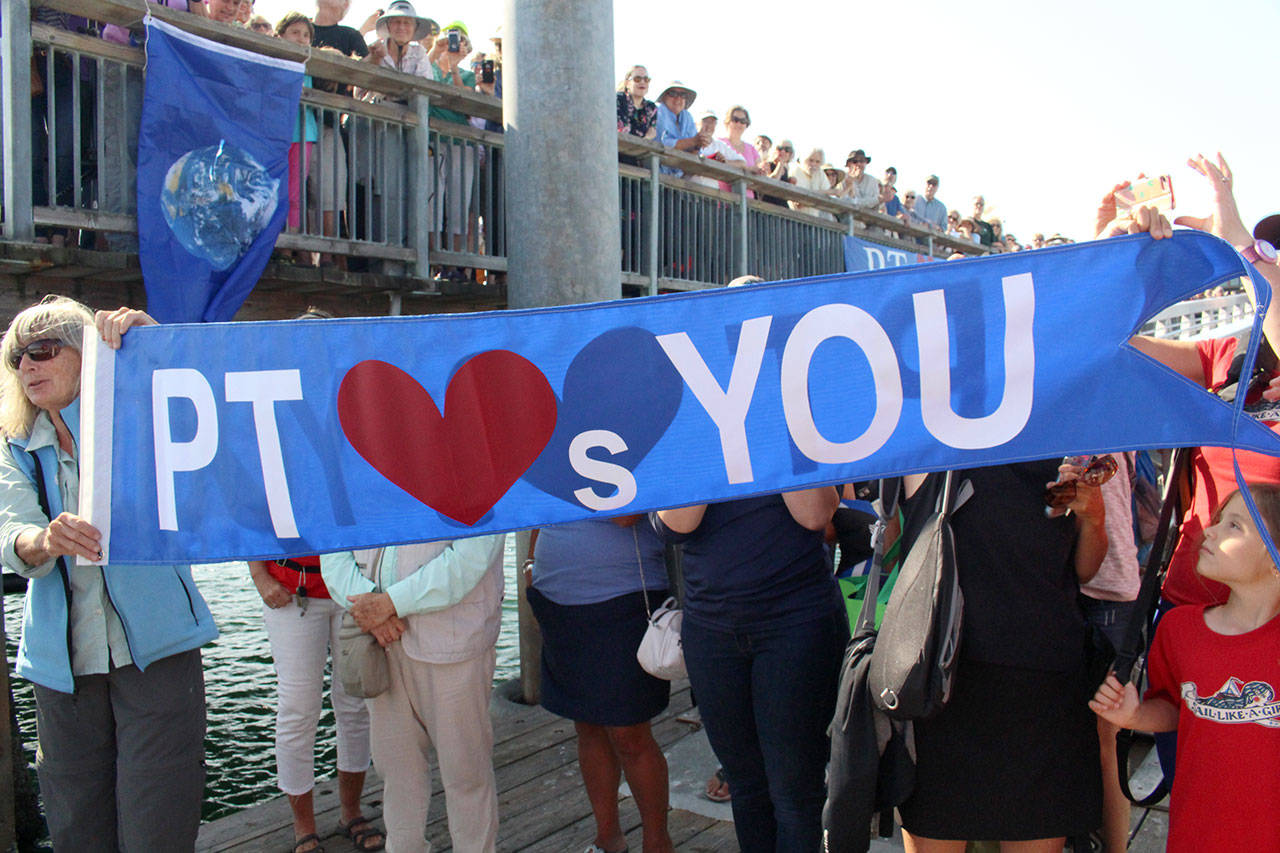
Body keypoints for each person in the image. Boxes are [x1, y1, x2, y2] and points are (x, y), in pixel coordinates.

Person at [0, 298, 218, 850]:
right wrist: (42, 541)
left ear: (88, 353)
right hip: (61, 669)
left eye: (43, 349)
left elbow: (210, 427)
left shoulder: (142, 415)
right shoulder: (13, 446)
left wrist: (160, 349)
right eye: (17, 357)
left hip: (159, 652)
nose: (27, 365)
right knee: (77, 831)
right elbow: (11, 529)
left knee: (158, 829)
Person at [895, 462, 1107, 852]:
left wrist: (1095, 519)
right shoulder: (932, 436)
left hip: (1042, 683)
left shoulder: (1063, 447)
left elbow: (1084, 570)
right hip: (942, 680)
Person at [652, 487, 847, 852]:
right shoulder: (677, 445)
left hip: (796, 621)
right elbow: (673, 527)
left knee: (794, 790)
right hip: (712, 629)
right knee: (746, 785)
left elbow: (815, 515)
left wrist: (768, 447)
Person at [1090, 486, 1280, 852]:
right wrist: (1134, 716)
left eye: (1235, 526)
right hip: (1197, 835)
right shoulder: (1179, 630)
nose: (1210, 531)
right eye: (1219, 520)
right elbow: (1178, 708)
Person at [322, 534, 505, 853]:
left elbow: (472, 557)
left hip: (454, 643)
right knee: (396, 775)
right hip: (382, 642)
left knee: (466, 774)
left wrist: (388, 604)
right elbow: (331, 547)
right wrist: (369, 607)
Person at [525, 518, 674, 853]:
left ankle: (657, 844)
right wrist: (530, 562)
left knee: (629, 734)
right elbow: (538, 507)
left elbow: (625, 515)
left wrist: (566, 486)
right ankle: (608, 840)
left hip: (623, 595)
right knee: (587, 724)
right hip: (556, 596)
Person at [427, 22, 479, 280]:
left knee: (459, 202)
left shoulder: (468, 75)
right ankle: (434, 261)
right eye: (451, 39)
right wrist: (436, 52)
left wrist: (455, 66)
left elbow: (466, 102)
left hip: (460, 143)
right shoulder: (430, 67)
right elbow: (419, 77)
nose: (456, 45)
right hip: (432, 142)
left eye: (461, 41)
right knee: (431, 202)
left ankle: (456, 264)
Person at [277, 12, 320, 260]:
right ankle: (273, 242)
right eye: (295, 32)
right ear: (281, 35)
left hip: (304, 133)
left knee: (294, 193)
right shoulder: (272, 57)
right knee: (276, 189)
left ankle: (288, 245)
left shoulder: (310, 63)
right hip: (277, 133)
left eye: (306, 35)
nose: (301, 39)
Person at [654, 81, 707, 177]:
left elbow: (695, 150)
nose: (678, 98)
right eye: (673, 94)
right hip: (656, 171)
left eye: (683, 95)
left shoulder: (687, 116)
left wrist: (698, 144)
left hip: (680, 175)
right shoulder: (657, 111)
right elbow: (662, 144)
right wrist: (693, 141)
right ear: (664, 97)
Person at [788, 148, 835, 219]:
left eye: (817, 162)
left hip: (813, 219)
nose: (813, 164)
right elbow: (798, 202)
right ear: (804, 160)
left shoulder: (820, 173)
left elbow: (828, 194)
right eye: (811, 160)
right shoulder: (795, 171)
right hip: (794, 217)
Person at [617, 65, 658, 141]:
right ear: (627, 83)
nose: (642, 82)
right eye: (637, 79)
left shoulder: (651, 108)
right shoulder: (618, 100)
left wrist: (645, 139)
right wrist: (646, 138)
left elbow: (652, 133)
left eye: (646, 79)